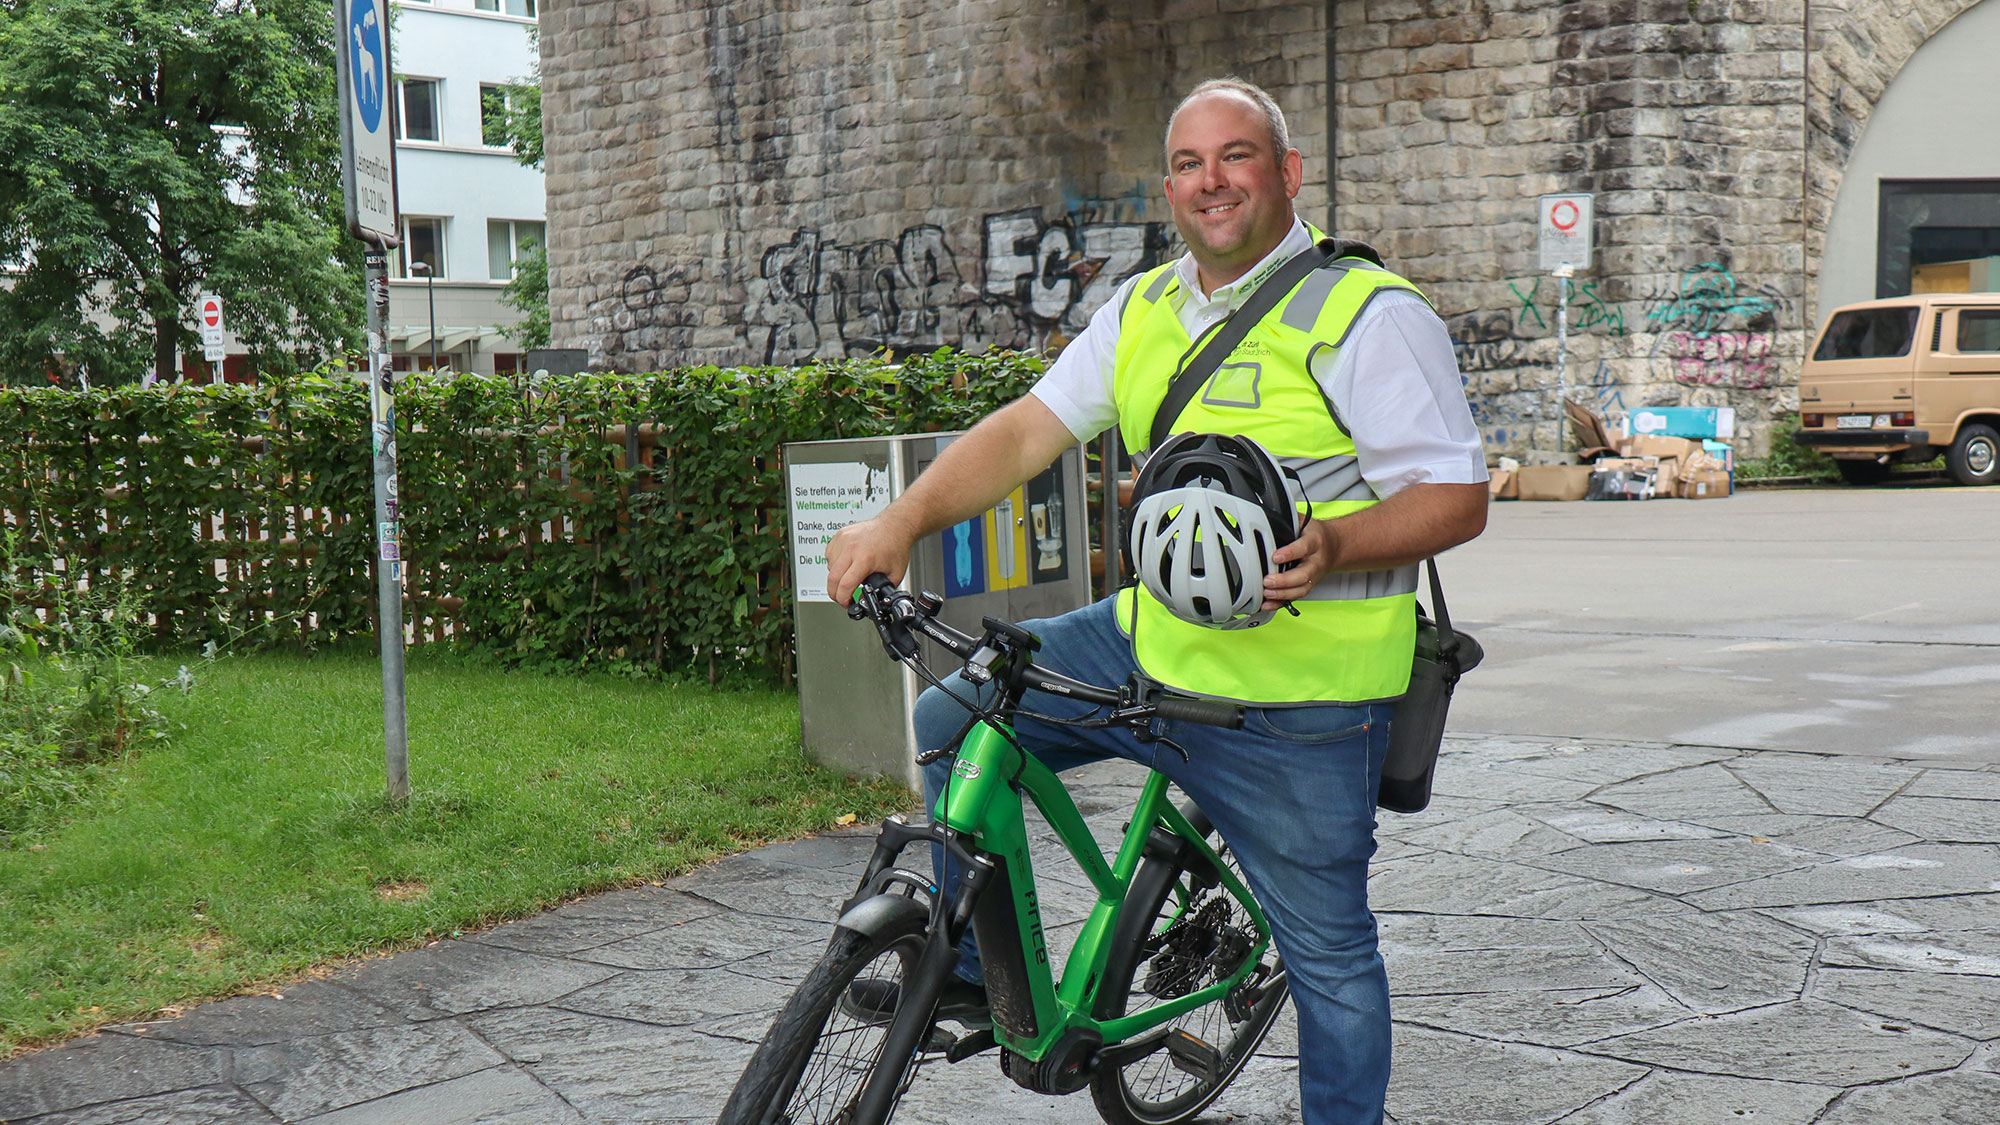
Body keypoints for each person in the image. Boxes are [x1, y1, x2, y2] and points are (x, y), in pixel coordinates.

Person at [825, 76, 1488, 1125]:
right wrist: (898, 523)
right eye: (1187, 163)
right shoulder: (1140, 309)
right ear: (1168, 187)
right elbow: (1026, 430)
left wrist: (1338, 543)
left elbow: (1454, 498)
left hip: (1302, 704)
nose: (1209, 181)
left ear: (1285, 173)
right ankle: (957, 958)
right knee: (953, 713)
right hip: (1145, 649)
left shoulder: (1366, 315)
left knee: (1329, 960)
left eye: (1235, 156)